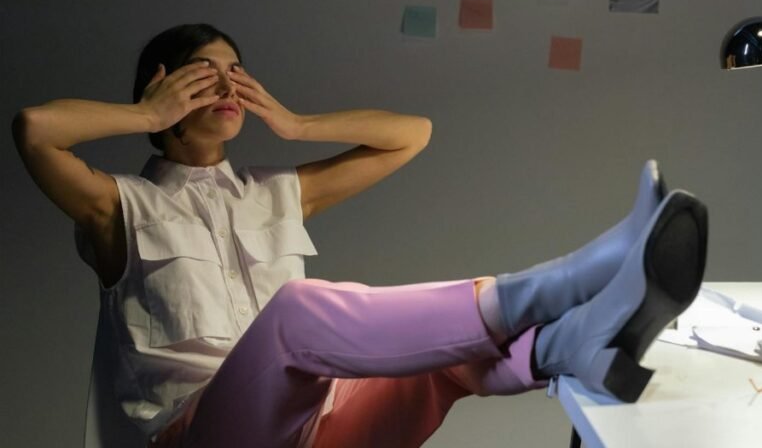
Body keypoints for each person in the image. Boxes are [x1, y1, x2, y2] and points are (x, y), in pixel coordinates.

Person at [12, 23, 708, 448]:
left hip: (319, 434)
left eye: (234, 71)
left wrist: (294, 125)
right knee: (294, 316)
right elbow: (36, 131)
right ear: (164, 87)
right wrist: (143, 114)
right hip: (197, 437)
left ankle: (569, 346)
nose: (225, 83)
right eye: (204, 72)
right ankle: (565, 280)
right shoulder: (119, 209)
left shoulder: (273, 193)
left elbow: (412, 136)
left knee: (439, 355)